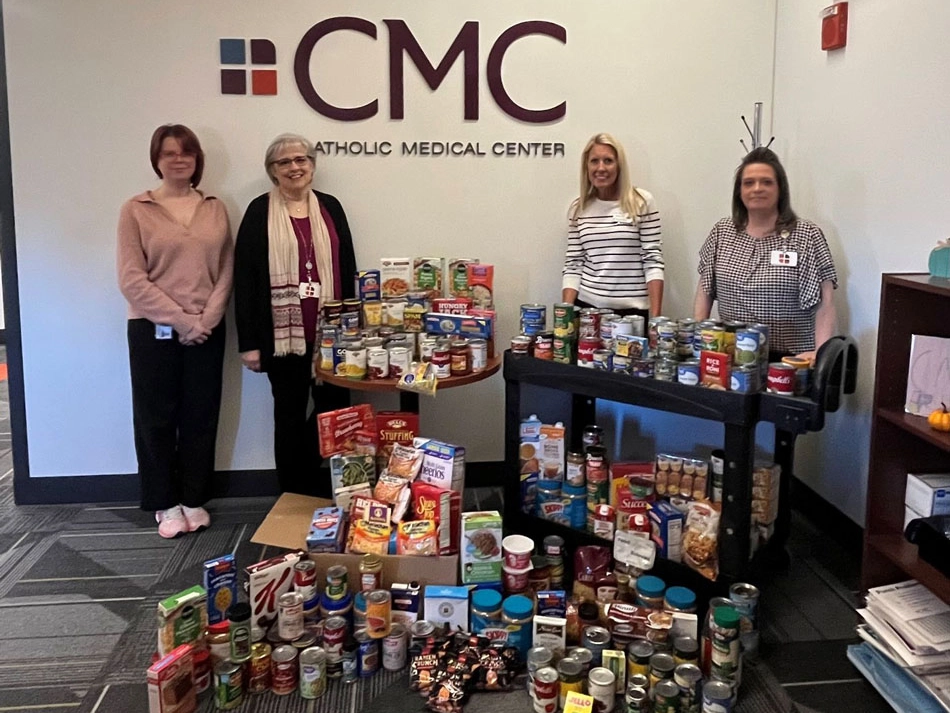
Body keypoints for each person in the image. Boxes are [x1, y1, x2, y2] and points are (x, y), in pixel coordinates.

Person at [117, 124, 233, 538]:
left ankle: (192, 498)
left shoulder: (215, 207)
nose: (178, 159)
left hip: (207, 328)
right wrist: (183, 321)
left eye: (186, 152)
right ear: (157, 159)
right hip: (152, 331)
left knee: (200, 415)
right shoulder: (136, 208)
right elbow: (132, 280)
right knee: (155, 417)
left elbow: (225, 271)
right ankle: (164, 502)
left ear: (197, 159)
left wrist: (207, 320)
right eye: (169, 153)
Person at [234, 133, 356, 496]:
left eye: (301, 159)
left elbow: (347, 266)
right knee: (287, 415)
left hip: (332, 334)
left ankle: (314, 480)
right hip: (281, 336)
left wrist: (355, 326)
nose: (294, 167)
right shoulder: (259, 211)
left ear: (313, 165)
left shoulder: (331, 207)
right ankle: (291, 490)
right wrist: (250, 344)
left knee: (334, 410)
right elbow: (245, 278)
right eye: (284, 162)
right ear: (272, 171)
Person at [693, 147, 837, 361]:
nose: (757, 188)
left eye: (767, 182)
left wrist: (821, 355)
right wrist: (699, 343)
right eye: (749, 182)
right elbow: (704, 292)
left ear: (780, 189)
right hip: (732, 357)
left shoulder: (807, 235)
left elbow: (825, 303)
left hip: (790, 360)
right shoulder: (721, 232)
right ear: (739, 191)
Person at [562, 132, 664, 319]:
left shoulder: (642, 202)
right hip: (587, 311)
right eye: (594, 161)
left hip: (632, 314)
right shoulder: (579, 209)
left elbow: (652, 260)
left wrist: (656, 318)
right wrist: (565, 316)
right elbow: (573, 265)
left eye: (608, 161)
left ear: (619, 166)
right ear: (587, 166)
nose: (601, 168)